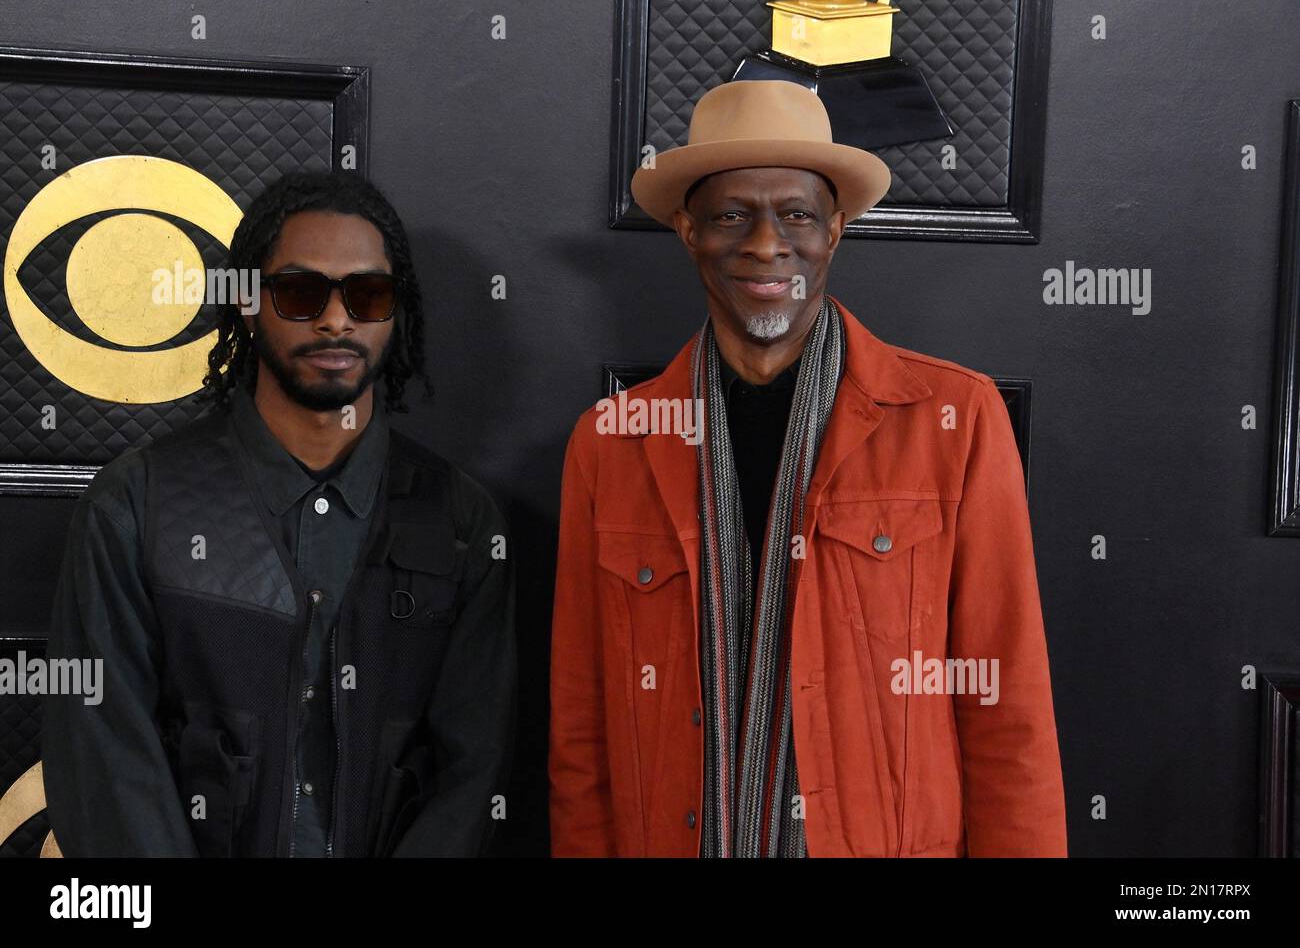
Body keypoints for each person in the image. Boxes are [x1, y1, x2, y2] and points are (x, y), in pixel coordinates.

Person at [549, 80, 1067, 857]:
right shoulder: (612, 441)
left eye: (795, 213)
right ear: (688, 231)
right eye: (731, 215)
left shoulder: (951, 420)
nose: (765, 244)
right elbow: (582, 721)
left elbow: (1006, 705)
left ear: (837, 229)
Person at [43, 171, 516, 857]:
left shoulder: (463, 522)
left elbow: (478, 767)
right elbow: (105, 760)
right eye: (299, 292)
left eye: (367, 294)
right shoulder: (136, 503)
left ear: (395, 311)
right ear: (246, 305)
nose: (336, 318)